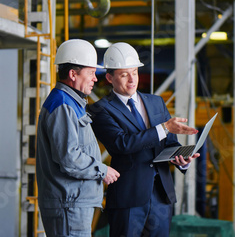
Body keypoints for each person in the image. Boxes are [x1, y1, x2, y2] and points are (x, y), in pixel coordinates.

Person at [89, 42, 199, 237]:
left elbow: (170, 142)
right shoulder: (100, 109)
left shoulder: (156, 102)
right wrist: (164, 128)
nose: (132, 80)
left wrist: (182, 160)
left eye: (135, 73)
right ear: (109, 77)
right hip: (128, 198)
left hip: (161, 196)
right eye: (124, 75)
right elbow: (122, 144)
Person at [36, 39, 120, 237]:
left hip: (72, 203)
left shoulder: (71, 103)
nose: (95, 79)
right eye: (90, 73)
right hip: (69, 204)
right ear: (73, 74)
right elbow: (69, 159)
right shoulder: (63, 105)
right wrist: (102, 170)